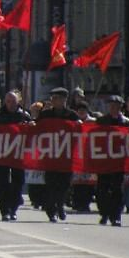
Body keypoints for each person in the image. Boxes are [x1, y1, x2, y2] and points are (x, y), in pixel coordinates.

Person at [37, 87, 81, 223]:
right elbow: (38, 128)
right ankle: (52, 211)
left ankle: (60, 205)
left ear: (64, 100)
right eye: (53, 98)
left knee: (64, 185)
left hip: (65, 157)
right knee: (51, 184)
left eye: (57, 98)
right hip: (50, 157)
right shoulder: (45, 115)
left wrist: (80, 125)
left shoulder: (72, 115)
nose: (54, 101)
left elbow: (79, 132)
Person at [0, 90, 30, 221]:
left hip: (19, 155)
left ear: (18, 101)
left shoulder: (24, 116)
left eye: (13, 101)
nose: (10, 104)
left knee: (18, 182)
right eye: (8, 101)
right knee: (3, 182)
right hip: (3, 155)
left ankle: (13, 208)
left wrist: (29, 126)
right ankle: (4, 210)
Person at [95, 95, 129, 226]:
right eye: (111, 105)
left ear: (120, 107)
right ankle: (104, 213)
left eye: (116, 106)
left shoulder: (126, 123)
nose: (113, 108)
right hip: (104, 162)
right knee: (102, 189)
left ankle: (116, 216)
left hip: (118, 162)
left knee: (117, 189)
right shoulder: (101, 121)